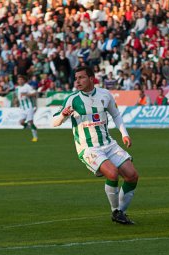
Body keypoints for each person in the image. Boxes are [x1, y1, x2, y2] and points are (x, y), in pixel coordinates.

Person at [52, 66, 139, 225]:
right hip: (88, 147)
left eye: (82, 77)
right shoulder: (72, 99)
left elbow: (116, 115)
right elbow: (54, 122)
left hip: (108, 144)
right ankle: (115, 211)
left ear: (92, 79)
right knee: (112, 173)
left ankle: (122, 212)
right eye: (76, 78)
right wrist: (63, 115)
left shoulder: (105, 95)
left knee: (132, 176)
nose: (77, 81)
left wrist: (124, 134)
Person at [15, 75, 39, 142]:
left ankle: (35, 137)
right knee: (21, 122)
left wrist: (27, 94)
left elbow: (35, 93)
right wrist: (16, 101)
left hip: (29, 107)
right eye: (18, 79)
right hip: (22, 108)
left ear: (23, 80)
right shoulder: (17, 88)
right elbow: (18, 97)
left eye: (21, 79)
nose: (19, 81)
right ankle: (32, 127)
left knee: (30, 122)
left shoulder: (27, 86)